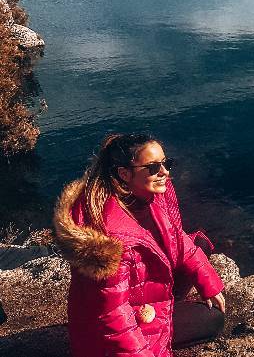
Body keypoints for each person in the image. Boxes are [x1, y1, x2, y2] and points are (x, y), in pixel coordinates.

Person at [54, 133, 225, 357]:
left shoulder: (148, 200)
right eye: (153, 167)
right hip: (108, 342)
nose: (165, 172)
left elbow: (177, 238)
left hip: (145, 308)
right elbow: (113, 316)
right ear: (124, 174)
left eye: (166, 163)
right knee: (210, 320)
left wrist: (207, 281)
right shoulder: (109, 240)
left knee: (213, 313)